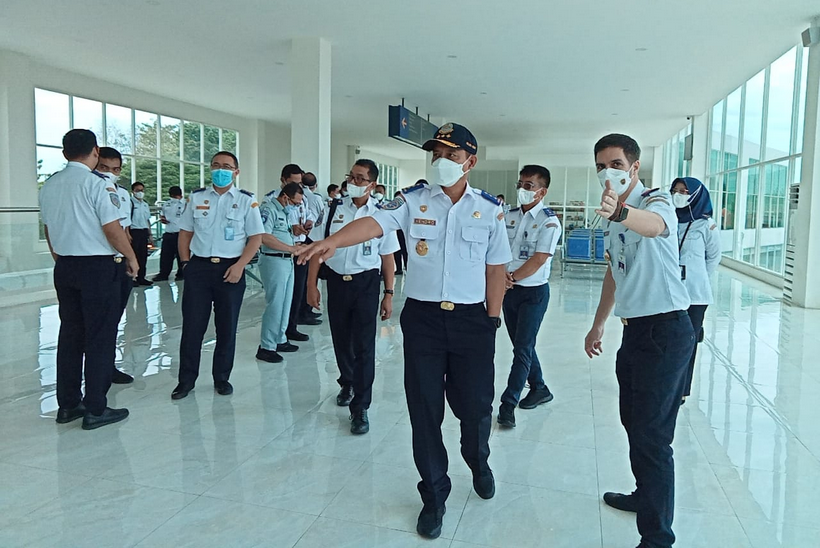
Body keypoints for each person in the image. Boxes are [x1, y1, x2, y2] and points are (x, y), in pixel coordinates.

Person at [296, 123, 511, 540]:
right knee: (424, 411)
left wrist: (492, 318)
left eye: (450, 155)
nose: (441, 162)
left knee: (475, 407)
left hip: (472, 324)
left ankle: (477, 460)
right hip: (425, 322)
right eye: (436, 154)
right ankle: (434, 494)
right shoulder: (413, 201)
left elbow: (496, 267)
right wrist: (332, 243)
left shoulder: (488, 209)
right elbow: (374, 223)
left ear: (470, 161)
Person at [584, 134, 695, 548]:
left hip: (666, 331)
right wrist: (598, 325)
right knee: (634, 423)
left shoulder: (654, 200)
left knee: (652, 435)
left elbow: (658, 227)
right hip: (634, 332)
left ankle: (657, 537)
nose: (606, 172)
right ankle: (644, 494)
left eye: (614, 163)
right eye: (599, 166)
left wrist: (622, 211)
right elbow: (617, 271)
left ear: (633, 167)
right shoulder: (613, 218)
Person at [39, 129, 137, 429]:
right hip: (97, 267)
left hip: (65, 266)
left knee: (70, 335)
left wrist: (62, 258)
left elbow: (48, 229)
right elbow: (111, 229)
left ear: (65, 151)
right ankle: (96, 407)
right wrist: (132, 258)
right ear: (95, 151)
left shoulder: (50, 185)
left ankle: (68, 404)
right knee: (99, 336)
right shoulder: (96, 184)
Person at [306, 159, 399, 435]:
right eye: (351, 177)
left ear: (372, 184)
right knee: (340, 339)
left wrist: (389, 294)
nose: (353, 183)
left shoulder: (382, 215)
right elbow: (316, 248)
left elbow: (388, 257)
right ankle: (347, 380)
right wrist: (312, 285)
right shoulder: (332, 209)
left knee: (364, 345)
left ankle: (361, 406)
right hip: (336, 283)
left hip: (366, 284)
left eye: (360, 179)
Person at [171, 151, 264, 400]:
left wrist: (240, 265)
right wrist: (185, 264)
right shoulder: (197, 197)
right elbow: (185, 233)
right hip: (199, 269)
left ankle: (221, 378)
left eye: (226, 166)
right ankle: (186, 380)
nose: (220, 170)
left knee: (227, 326)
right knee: (192, 327)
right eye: (215, 165)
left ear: (236, 171)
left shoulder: (246, 201)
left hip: (231, 269)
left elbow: (256, 237)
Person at [497, 164, 562, 428]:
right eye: (520, 184)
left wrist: (509, 279)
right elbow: (498, 247)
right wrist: (501, 278)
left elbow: (539, 259)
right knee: (521, 346)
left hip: (532, 292)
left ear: (541, 191)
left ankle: (508, 403)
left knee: (523, 347)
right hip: (508, 290)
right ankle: (540, 387)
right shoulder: (509, 215)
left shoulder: (549, 221)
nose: (522, 189)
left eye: (529, 185)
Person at [670, 177, 720, 404]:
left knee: (687, 342)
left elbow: (713, 258)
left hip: (695, 294)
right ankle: (666, 384)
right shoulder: (668, 219)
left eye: (684, 191)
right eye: (676, 190)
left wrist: (698, 279)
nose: (678, 195)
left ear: (697, 195)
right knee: (669, 340)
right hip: (669, 291)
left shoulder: (705, 225)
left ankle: (681, 389)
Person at [96, 146, 136, 385]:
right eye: (103, 168)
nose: (109, 173)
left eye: (115, 169)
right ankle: (96, 370)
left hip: (120, 261)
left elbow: (125, 230)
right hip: (99, 260)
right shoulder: (92, 188)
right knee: (97, 321)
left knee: (114, 318)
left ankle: (107, 366)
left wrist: (130, 258)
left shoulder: (122, 194)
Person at [256, 182, 304, 364]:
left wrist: (293, 240)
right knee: (275, 304)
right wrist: (290, 248)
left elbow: (281, 232)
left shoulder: (284, 211)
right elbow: (264, 237)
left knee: (286, 303)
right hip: (273, 260)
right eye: (295, 202)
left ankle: (280, 339)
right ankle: (266, 347)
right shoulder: (268, 209)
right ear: (285, 197)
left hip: (286, 260)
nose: (297, 206)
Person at [153, 186, 186, 282]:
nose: (173, 198)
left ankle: (181, 273)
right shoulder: (166, 204)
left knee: (181, 255)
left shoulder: (186, 204)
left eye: (175, 196)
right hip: (168, 232)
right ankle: (163, 274)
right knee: (166, 256)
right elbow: (162, 215)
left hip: (181, 233)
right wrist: (162, 219)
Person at [129, 181, 153, 286]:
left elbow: (147, 220)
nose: (140, 192)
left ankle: (141, 277)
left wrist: (150, 234)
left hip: (143, 232)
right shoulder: (130, 203)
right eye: (138, 190)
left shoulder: (145, 204)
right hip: (133, 232)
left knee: (143, 256)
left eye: (142, 190)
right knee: (133, 256)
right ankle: (132, 278)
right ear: (133, 191)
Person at [393, 188, 412, 276]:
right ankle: (399, 268)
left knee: (405, 249)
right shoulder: (393, 208)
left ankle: (407, 266)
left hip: (406, 230)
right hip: (396, 231)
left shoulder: (409, 207)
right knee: (397, 250)